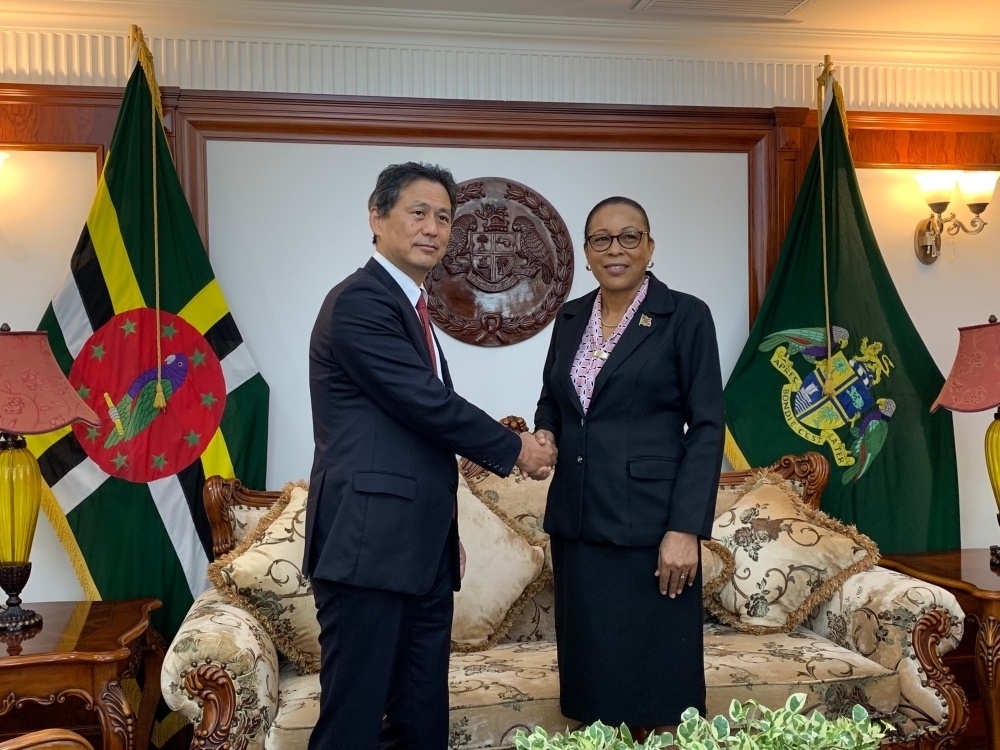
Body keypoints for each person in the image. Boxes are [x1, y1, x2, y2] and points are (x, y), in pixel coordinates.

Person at [304, 161, 556, 750]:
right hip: (368, 549)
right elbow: (426, 404)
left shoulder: (412, 308)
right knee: (353, 723)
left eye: (443, 218)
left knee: (420, 721)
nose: (433, 228)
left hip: (419, 550)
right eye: (418, 213)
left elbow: (417, 432)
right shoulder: (360, 302)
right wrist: (516, 448)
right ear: (377, 217)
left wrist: (445, 532)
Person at [534, 196, 724, 739]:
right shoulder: (571, 317)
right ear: (587, 252)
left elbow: (707, 427)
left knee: (659, 692)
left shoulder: (685, 315)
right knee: (593, 691)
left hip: (652, 528)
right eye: (602, 239)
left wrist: (685, 529)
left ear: (650, 246)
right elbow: (553, 399)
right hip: (578, 526)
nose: (615, 249)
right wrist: (545, 432)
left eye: (629, 236)